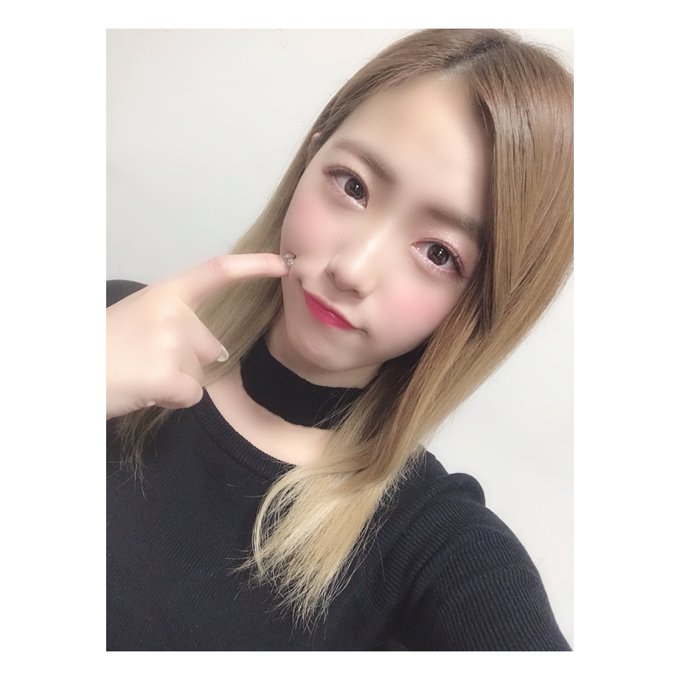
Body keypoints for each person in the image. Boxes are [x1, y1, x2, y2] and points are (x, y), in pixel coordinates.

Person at [107, 28, 573, 651]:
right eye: (353, 186)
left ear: (482, 305)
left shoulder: (435, 546)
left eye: (438, 253)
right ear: (312, 153)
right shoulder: (113, 323)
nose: (352, 269)